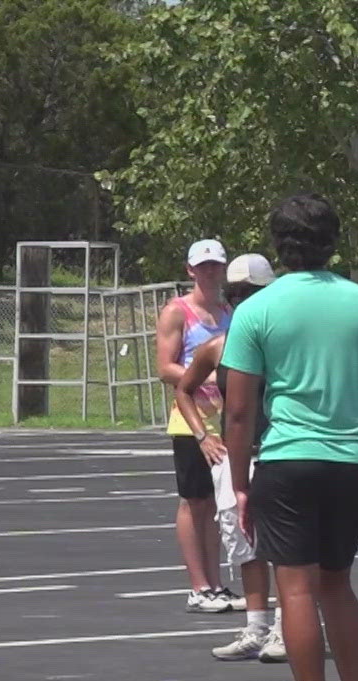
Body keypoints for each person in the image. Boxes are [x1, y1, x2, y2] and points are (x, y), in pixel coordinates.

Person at [221, 192, 358, 681]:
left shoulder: (257, 309)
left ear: (279, 243)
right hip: (350, 460)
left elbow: (240, 410)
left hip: (288, 458)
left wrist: (241, 479)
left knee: (295, 587)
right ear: (332, 241)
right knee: (338, 585)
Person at [173, 253, 286, 663]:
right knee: (244, 546)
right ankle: (256, 626)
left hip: (279, 454)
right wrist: (202, 435)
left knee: (283, 547)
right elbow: (183, 389)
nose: (243, 301)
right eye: (235, 293)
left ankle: (287, 628)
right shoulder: (218, 346)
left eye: (252, 293)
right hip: (234, 459)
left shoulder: (284, 343)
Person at [156, 239, 237, 613]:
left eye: (216, 265)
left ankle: (216, 583)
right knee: (195, 501)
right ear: (190, 270)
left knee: (218, 504)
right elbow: (165, 367)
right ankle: (198, 585)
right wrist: (202, 375)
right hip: (191, 419)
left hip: (226, 417)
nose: (209, 271)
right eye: (202, 266)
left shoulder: (228, 311)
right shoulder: (178, 312)